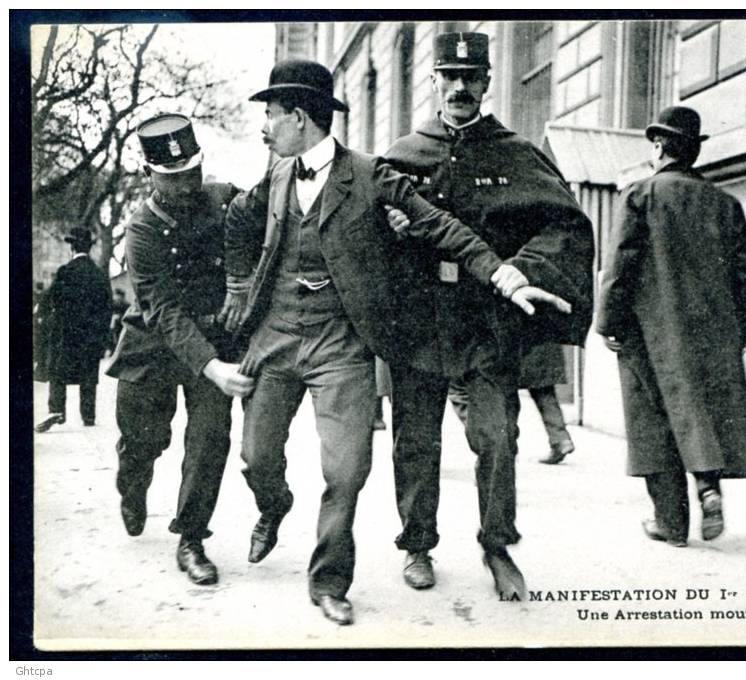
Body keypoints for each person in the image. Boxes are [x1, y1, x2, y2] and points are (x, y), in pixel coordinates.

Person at [221, 59, 568, 626]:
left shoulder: (372, 174)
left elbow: (442, 226)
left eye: (271, 114)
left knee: (348, 470)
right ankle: (274, 503)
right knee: (257, 456)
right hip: (278, 335)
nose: (265, 125)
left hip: (345, 341)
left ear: (301, 118)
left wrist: (504, 273)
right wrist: (239, 287)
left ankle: (331, 581)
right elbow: (238, 219)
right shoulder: (278, 173)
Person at [382, 31, 594, 599]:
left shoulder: (516, 153)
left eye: (470, 78)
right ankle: (418, 545)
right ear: (433, 82)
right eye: (448, 77)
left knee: (496, 436)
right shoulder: (404, 154)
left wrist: (521, 268)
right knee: (416, 440)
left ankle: (497, 545)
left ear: (486, 83)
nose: (459, 88)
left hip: (486, 320)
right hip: (421, 321)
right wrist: (394, 234)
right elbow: (365, 233)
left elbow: (564, 223)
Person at [595, 106, 746, 547]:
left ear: (659, 147)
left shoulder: (640, 195)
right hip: (713, 332)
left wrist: (608, 322)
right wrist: (739, 333)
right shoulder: (727, 204)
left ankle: (670, 522)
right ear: (693, 151)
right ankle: (708, 487)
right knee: (700, 409)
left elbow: (620, 266)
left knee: (652, 419)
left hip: (650, 330)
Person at [106, 113, 254, 586]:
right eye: (171, 178)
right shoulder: (142, 230)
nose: (185, 185)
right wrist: (212, 367)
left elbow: (265, 222)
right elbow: (165, 311)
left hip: (215, 337)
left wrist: (239, 286)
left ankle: (191, 539)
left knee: (210, 440)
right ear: (149, 174)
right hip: (153, 344)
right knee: (144, 440)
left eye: (191, 172)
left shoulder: (226, 198)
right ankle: (133, 485)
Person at [34, 228, 112, 433]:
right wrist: (102, 337)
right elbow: (107, 307)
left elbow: (49, 299)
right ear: (88, 248)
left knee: (58, 372)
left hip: (66, 334)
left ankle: (57, 410)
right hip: (91, 336)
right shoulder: (99, 275)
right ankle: (88, 416)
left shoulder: (65, 271)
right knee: (89, 374)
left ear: (72, 247)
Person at [448, 342, 575, 465]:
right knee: (544, 391)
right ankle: (560, 438)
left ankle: (503, 449)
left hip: (518, 350)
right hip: (544, 345)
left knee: (508, 396)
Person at [108, 288, 129, 355]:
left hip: (123, 324)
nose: (117, 300)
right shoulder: (113, 305)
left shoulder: (126, 305)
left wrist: (119, 317)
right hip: (116, 326)